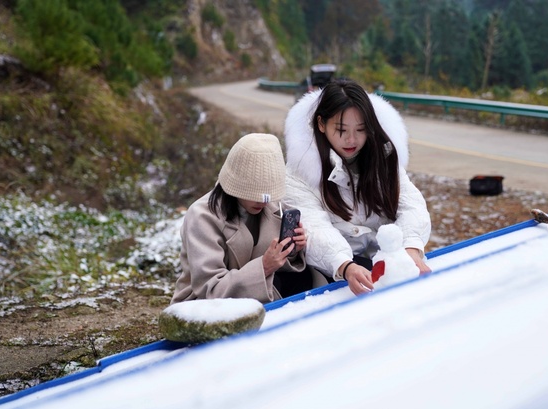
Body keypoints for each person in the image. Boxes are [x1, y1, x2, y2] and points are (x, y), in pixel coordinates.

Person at [283, 79, 432, 296]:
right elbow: (314, 227)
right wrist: (345, 265)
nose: (352, 139)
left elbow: (412, 205)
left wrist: (410, 248)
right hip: (335, 276)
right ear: (321, 124)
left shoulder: (383, 156)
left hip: (388, 264)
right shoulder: (299, 171)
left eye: (361, 130)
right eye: (341, 130)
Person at [171, 133, 321, 305]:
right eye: (254, 194)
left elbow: (281, 266)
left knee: (303, 278)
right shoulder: (202, 216)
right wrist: (264, 267)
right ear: (236, 186)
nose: (263, 202)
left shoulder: (272, 204)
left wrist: (292, 249)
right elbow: (210, 289)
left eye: (267, 194)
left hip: (256, 293)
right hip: (203, 305)